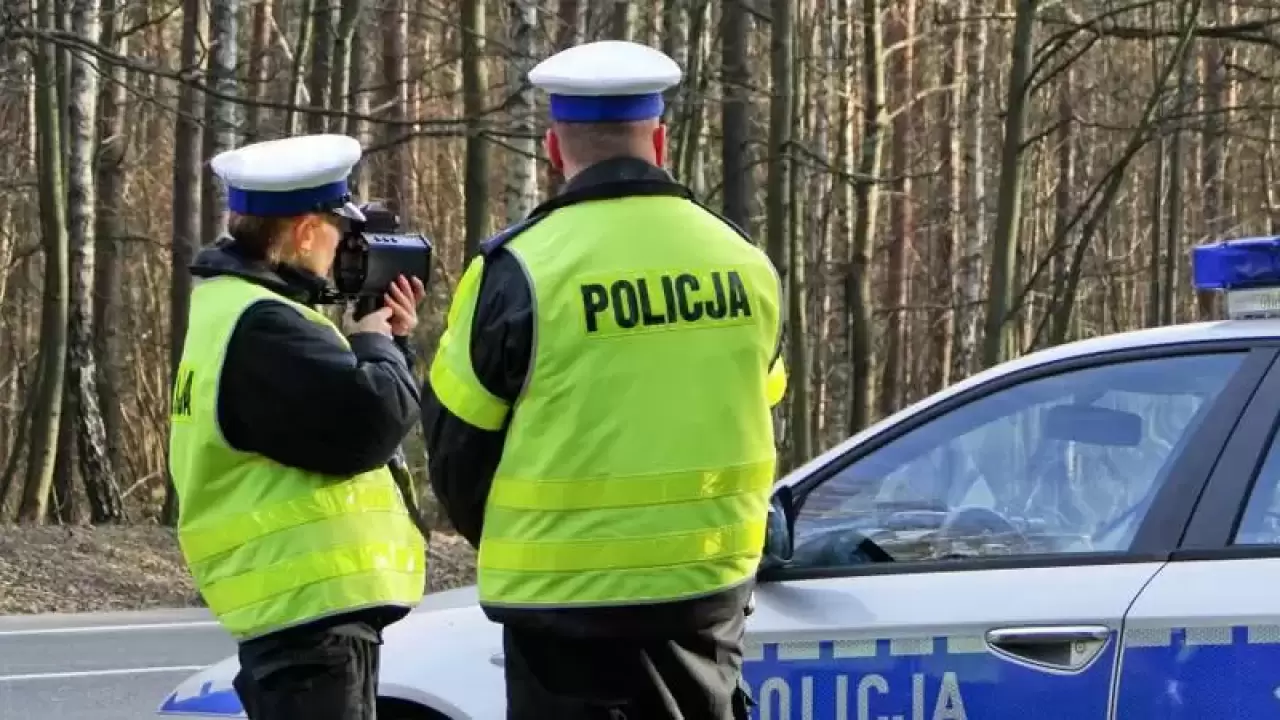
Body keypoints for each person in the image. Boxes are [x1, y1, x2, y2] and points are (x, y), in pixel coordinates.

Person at [421, 40, 788, 720]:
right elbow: (761, 409)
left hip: (562, 618)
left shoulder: (517, 271)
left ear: (554, 151)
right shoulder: (744, 262)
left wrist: (528, 540)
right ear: (660, 141)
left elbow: (456, 453)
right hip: (706, 601)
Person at [167, 134, 427, 720]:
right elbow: (369, 427)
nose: (346, 249)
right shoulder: (265, 326)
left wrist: (386, 344)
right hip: (309, 620)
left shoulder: (234, 310)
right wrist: (380, 347)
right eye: (339, 231)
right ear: (307, 232)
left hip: (302, 616)